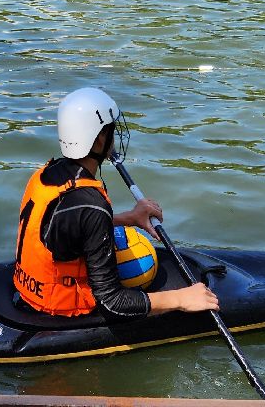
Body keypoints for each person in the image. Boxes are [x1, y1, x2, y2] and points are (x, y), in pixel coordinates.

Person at [12, 87, 219, 320]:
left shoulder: (48, 174)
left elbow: (68, 226)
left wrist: (127, 219)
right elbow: (112, 302)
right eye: (110, 130)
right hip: (60, 310)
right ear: (100, 139)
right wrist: (181, 299)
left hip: (27, 291)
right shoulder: (91, 205)